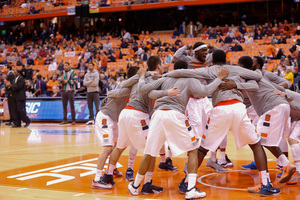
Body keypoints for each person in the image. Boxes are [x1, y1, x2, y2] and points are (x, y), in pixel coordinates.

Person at [165, 51, 281, 197]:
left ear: (212, 60)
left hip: (220, 109)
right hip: (238, 108)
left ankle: (188, 181)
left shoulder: (208, 70)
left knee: (203, 149)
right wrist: (237, 83)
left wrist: (164, 75)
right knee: (256, 144)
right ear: (226, 60)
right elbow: (258, 76)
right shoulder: (235, 68)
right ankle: (266, 184)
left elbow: (182, 72)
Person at [128, 60, 228, 199]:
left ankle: (135, 185)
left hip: (157, 115)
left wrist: (164, 92)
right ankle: (191, 188)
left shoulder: (165, 77)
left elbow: (145, 91)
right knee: (193, 150)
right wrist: (220, 79)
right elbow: (205, 91)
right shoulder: (189, 79)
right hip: (175, 114)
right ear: (186, 70)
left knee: (149, 153)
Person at [101, 56, 176, 192]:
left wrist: (110, 94)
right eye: (162, 64)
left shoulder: (140, 77)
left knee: (119, 146)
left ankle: (108, 175)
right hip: (138, 114)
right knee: (152, 150)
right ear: (159, 66)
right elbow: (153, 94)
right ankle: (147, 183)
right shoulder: (155, 79)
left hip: (125, 113)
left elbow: (124, 84)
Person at [91, 66, 140, 189]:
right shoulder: (124, 85)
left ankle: (111, 170)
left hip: (114, 119)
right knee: (107, 149)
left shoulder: (134, 87)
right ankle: (96, 179)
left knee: (120, 145)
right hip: (105, 117)